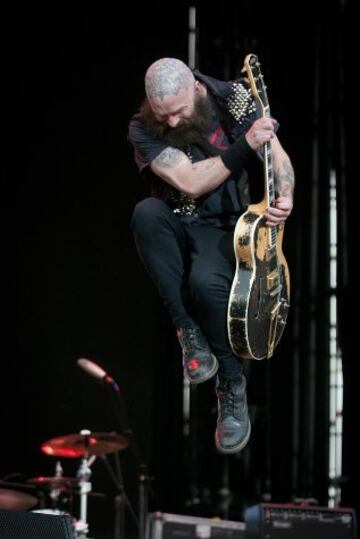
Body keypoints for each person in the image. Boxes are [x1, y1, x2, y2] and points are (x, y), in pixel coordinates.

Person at [128, 57, 294, 454]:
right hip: (178, 219)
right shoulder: (141, 127)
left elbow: (278, 158)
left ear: (196, 90)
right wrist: (245, 145)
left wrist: (285, 194)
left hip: (225, 225)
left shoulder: (232, 99)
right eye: (161, 114)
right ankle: (188, 332)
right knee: (145, 214)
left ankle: (231, 383)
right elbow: (188, 182)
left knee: (205, 284)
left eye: (178, 112)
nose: (169, 123)